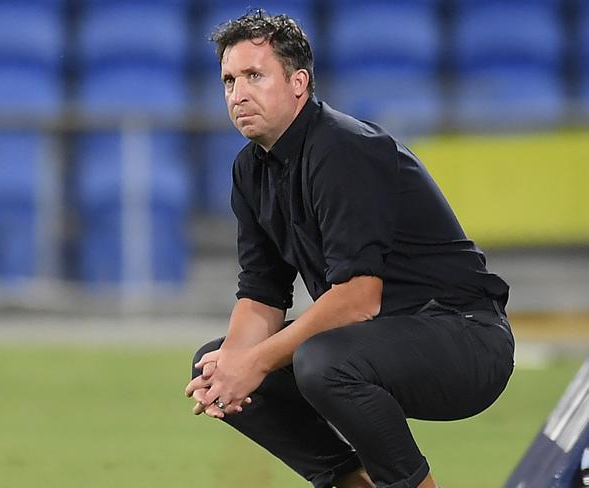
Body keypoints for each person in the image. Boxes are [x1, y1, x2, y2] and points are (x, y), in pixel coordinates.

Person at [185, 10, 515, 488]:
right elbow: (261, 294)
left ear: (298, 83)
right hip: (380, 337)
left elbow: (359, 301)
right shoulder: (250, 170)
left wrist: (254, 364)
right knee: (214, 361)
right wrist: (233, 368)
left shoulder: (342, 149)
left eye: (255, 75)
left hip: (464, 337)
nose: (238, 94)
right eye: (229, 80)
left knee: (320, 360)